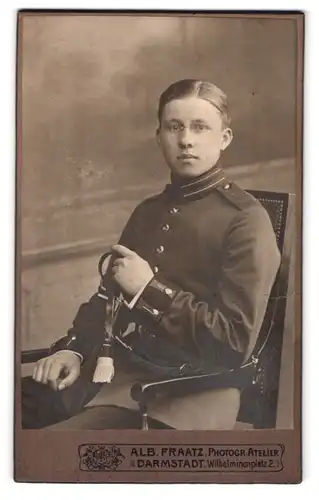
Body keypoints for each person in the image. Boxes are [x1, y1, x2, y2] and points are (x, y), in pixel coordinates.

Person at [21, 79, 281, 430]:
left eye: (200, 127)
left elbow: (233, 343)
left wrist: (148, 289)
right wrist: (75, 349)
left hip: (182, 395)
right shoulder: (148, 211)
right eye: (175, 127)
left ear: (224, 138)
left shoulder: (246, 220)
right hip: (113, 376)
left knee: (49, 451)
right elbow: (107, 298)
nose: (186, 139)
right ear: (159, 136)